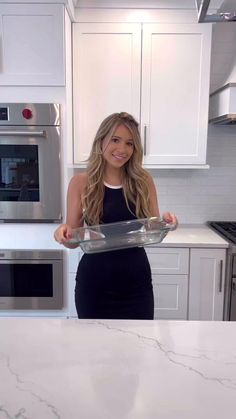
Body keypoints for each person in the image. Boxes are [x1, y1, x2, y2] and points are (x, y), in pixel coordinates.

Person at [54, 112, 177, 319]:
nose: (122, 149)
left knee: (138, 348)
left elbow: (153, 227)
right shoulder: (80, 182)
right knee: (96, 348)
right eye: (115, 140)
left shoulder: (143, 180)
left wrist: (167, 222)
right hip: (94, 286)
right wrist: (63, 233)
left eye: (129, 143)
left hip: (136, 285)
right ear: (101, 141)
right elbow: (73, 240)